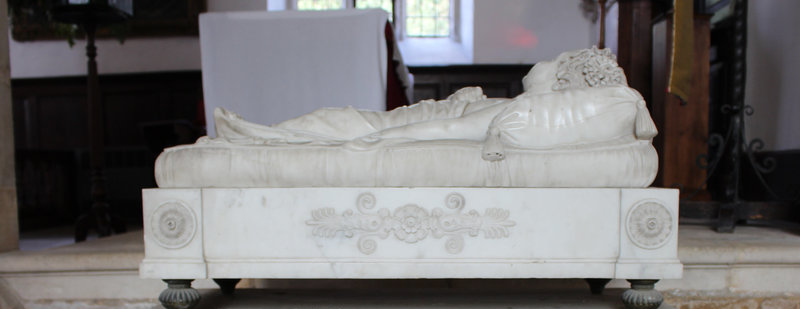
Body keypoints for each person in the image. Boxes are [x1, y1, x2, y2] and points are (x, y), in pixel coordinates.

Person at [211, 47, 656, 162]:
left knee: (335, 120)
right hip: (398, 119)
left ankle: (259, 140)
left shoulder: (520, 115)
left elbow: (444, 132)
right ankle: (259, 138)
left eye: (556, 60)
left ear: (563, 82)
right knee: (333, 118)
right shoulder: (518, 106)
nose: (543, 61)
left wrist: (378, 139)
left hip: (387, 125)